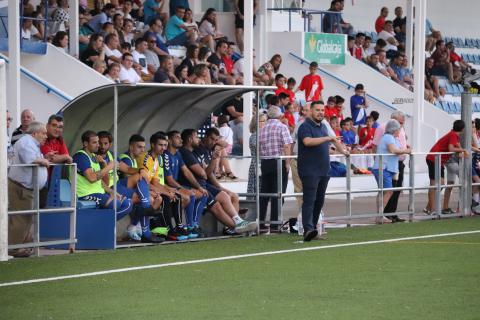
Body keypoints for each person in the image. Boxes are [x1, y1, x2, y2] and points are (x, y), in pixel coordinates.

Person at [179, 129, 256, 234]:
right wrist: (214, 159)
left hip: (203, 185)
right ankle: (235, 226)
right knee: (217, 206)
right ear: (190, 139)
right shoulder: (188, 152)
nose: (198, 139)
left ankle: (238, 223)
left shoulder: (195, 151)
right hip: (195, 186)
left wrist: (215, 156)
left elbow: (207, 173)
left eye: (216, 139)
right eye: (196, 137)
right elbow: (204, 174)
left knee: (226, 196)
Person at [297, 101, 348, 241]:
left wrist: (343, 151)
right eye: (317, 110)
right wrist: (328, 138)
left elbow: (333, 141)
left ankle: (313, 229)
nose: (320, 112)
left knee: (319, 201)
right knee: (309, 200)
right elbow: (307, 142)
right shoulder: (304, 126)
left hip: (323, 170)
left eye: (322, 110)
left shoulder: (324, 126)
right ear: (311, 111)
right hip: (309, 170)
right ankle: (307, 229)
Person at [8, 121, 49, 257]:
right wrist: (43, 161)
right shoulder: (26, 142)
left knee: (25, 217)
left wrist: (45, 158)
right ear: (34, 133)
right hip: (21, 187)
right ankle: (14, 248)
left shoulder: (31, 143)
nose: (45, 136)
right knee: (20, 217)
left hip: (25, 187)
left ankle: (20, 245)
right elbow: (29, 159)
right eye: (43, 133)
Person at [72, 130, 133, 217]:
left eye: (98, 142)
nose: (98, 145)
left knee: (127, 203)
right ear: (85, 143)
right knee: (115, 204)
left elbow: (104, 182)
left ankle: (104, 225)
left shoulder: (94, 157)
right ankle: (101, 226)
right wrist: (109, 166)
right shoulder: (81, 156)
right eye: (95, 142)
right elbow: (92, 178)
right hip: (84, 194)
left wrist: (111, 191)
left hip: (99, 192)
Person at [165, 130, 209, 238]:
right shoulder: (166, 155)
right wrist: (183, 189)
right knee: (190, 195)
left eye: (180, 137)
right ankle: (185, 227)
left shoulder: (177, 153)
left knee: (203, 194)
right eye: (177, 137)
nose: (181, 140)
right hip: (167, 186)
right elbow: (169, 180)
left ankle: (193, 225)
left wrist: (199, 187)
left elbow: (186, 171)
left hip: (176, 186)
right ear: (169, 141)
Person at [259, 106, 293, 232]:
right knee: (278, 194)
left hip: (265, 162)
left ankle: (261, 222)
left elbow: (260, 147)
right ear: (280, 116)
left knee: (265, 194)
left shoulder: (262, 128)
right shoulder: (282, 127)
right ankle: (275, 223)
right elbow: (287, 145)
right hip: (278, 162)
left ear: (268, 116)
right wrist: (287, 163)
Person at [424, 120, 469, 214]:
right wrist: (464, 150)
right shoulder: (453, 135)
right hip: (434, 158)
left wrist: (461, 152)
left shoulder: (454, 135)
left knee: (439, 184)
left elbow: (457, 149)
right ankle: (432, 210)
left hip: (437, 159)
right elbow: (451, 148)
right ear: (463, 129)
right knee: (436, 184)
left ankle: (428, 208)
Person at [372, 119, 411, 223]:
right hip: (384, 168)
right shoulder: (389, 137)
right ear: (394, 130)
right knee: (388, 191)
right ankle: (380, 215)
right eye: (399, 129)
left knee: (384, 192)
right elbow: (393, 150)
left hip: (386, 168)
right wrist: (406, 151)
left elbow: (396, 149)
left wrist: (405, 148)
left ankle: (380, 215)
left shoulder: (391, 138)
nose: (400, 131)